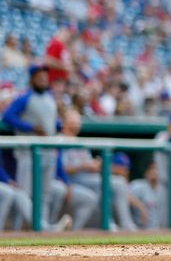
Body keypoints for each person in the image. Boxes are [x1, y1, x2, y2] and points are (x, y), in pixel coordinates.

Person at [2, 65, 61, 230]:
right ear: (32, 79)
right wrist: (30, 127)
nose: (43, 80)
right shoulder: (25, 98)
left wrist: (57, 125)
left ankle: (42, 228)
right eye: (39, 77)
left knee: (44, 195)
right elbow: (7, 116)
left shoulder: (49, 98)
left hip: (48, 151)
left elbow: (51, 121)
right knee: (25, 192)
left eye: (45, 77)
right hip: (29, 152)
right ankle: (26, 227)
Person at [60, 108, 138, 231]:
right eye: (72, 121)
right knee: (110, 183)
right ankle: (111, 222)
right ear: (64, 123)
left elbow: (89, 164)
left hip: (88, 178)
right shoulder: (59, 140)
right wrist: (84, 166)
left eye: (78, 122)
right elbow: (62, 169)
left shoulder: (79, 142)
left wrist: (95, 165)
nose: (76, 124)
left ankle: (124, 224)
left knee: (118, 183)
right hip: (72, 180)